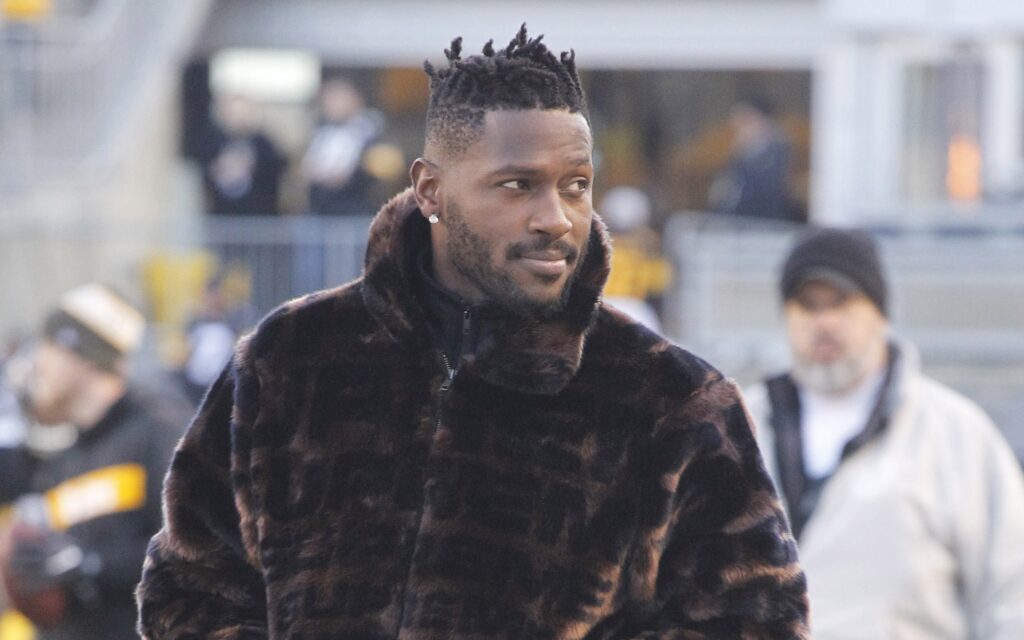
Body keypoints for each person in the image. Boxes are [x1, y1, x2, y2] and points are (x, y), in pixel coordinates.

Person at [137, 27, 809, 639]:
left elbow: (755, 621)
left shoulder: (671, 401)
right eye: (518, 185)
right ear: (430, 191)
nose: (557, 218)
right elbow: (187, 592)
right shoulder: (288, 361)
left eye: (576, 186)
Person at [744, 228, 1024, 639]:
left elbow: (1011, 595)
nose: (825, 321)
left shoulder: (953, 434)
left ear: (881, 313)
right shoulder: (736, 429)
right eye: (807, 304)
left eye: (841, 302)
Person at [0, 284, 189, 640]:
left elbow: (195, 554)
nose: (37, 362)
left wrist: (90, 563)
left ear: (82, 354)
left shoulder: (158, 430)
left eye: (47, 346)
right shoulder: (60, 453)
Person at [709, 95, 802, 223]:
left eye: (745, 122)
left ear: (763, 121)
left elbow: (772, 197)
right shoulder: (739, 159)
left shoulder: (781, 156)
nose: (740, 132)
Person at [302, 77, 387, 216]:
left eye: (336, 99)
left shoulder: (369, 130)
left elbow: (374, 169)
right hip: (321, 208)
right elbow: (308, 169)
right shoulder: (321, 132)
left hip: (354, 208)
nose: (331, 105)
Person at [199, 94, 287, 216]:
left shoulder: (263, 143)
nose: (238, 118)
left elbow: (278, 170)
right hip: (223, 217)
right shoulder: (214, 142)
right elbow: (204, 172)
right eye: (234, 113)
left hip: (257, 217)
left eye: (242, 113)